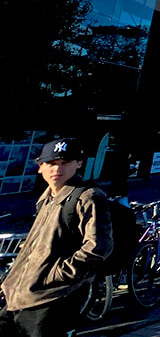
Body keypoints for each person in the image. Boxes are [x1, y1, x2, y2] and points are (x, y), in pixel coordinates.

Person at [1, 139, 113, 337]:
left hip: (49, 299)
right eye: (52, 163)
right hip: (17, 296)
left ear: (78, 164)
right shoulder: (47, 198)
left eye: (65, 162)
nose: (57, 169)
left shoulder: (88, 196)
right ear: (40, 167)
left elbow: (98, 246)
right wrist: (11, 279)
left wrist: (55, 277)